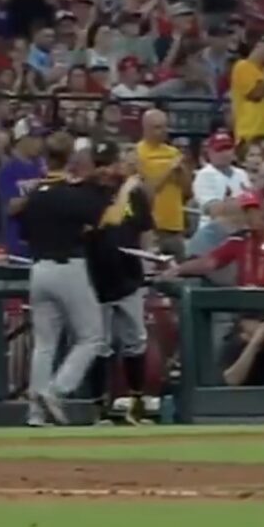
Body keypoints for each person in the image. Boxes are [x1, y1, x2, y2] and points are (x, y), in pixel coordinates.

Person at [16, 131, 108, 425]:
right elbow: (101, 217)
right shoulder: (71, 193)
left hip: (38, 269)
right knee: (92, 336)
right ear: (69, 159)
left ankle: (35, 413)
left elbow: (25, 233)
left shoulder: (33, 196)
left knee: (45, 344)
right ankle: (57, 390)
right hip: (68, 266)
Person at [84, 141, 156, 423]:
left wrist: (149, 266)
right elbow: (106, 222)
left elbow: (145, 230)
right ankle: (99, 408)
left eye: (110, 162)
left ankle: (136, 404)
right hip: (96, 276)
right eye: (101, 163)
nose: (106, 169)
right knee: (99, 344)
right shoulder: (90, 193)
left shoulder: (135, 194)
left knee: (135, 340)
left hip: (129, 275)